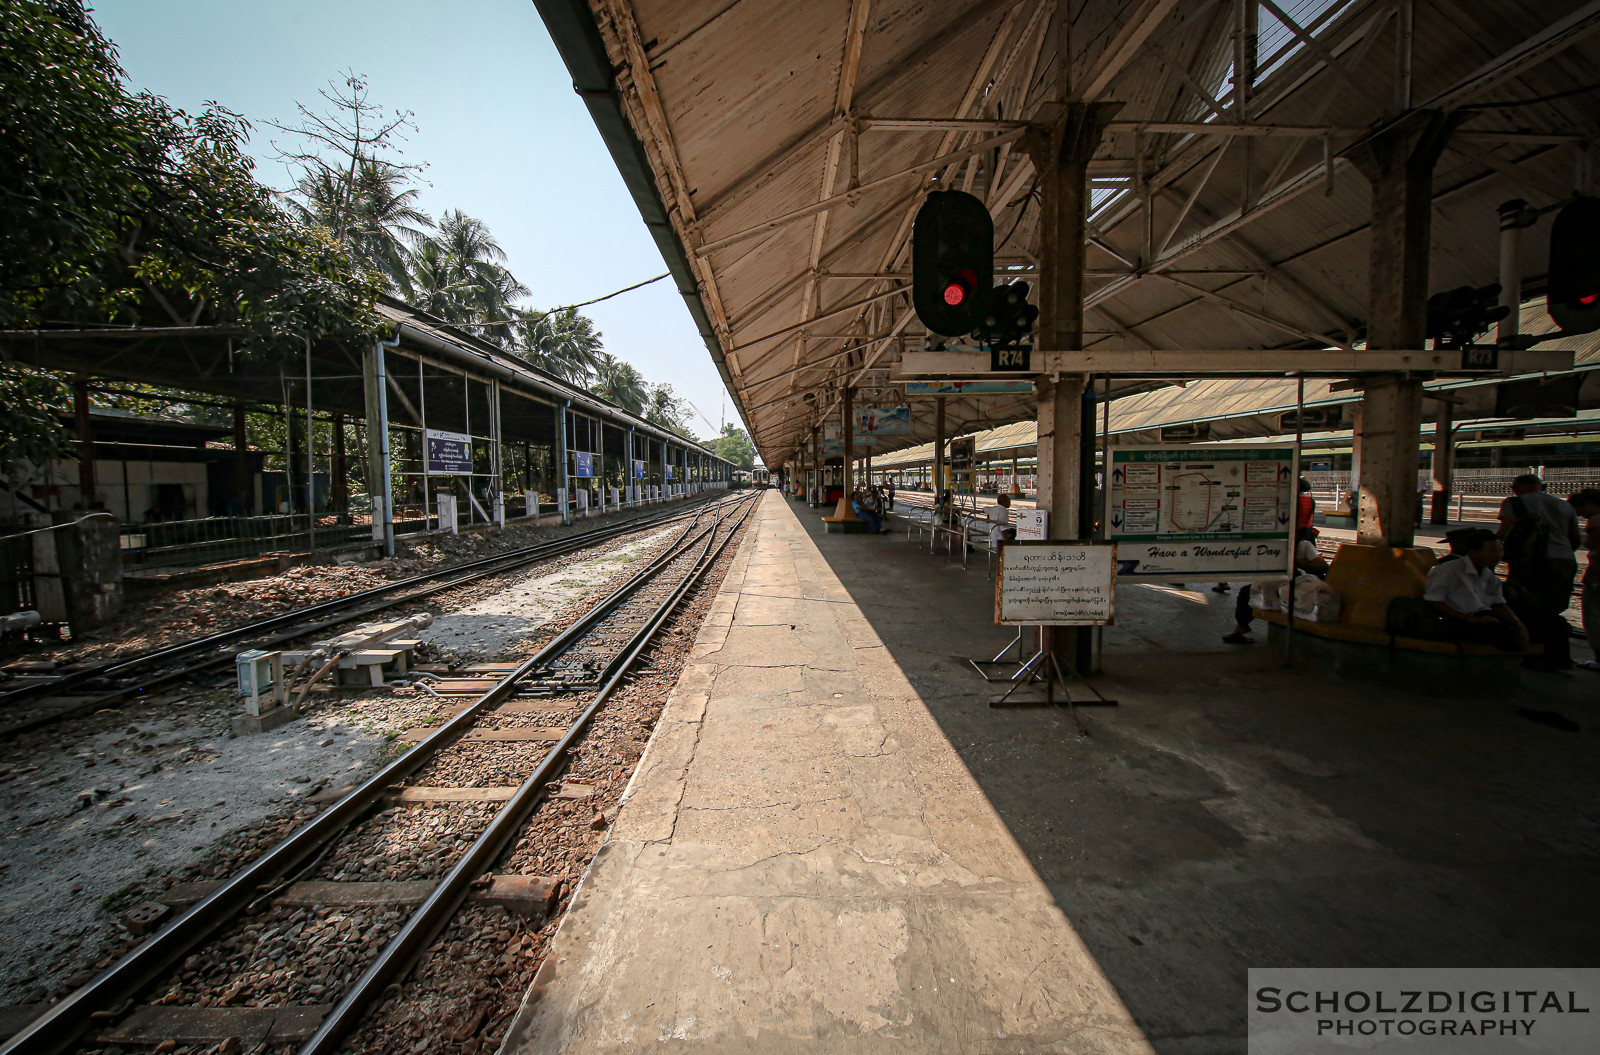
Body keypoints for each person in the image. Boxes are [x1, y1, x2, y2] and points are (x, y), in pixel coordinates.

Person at [1497, 473, 1582, 668]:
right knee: (1553, 608)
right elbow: (1575, 538)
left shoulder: (1514, 502)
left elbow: (1505, 530)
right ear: (1542, 486)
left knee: (1526, 604)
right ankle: (1556, 654)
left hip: (1530, 562)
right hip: (1565, 560)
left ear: (1516, 488)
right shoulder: (1564, 504)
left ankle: (1533, 651)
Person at [1423, 529, 1530, 653]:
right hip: (1459, 621)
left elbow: (1498, 604)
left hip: (1485, 616)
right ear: (1473, 552)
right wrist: (1471, 619)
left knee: (1539, 623)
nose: (1498, 556)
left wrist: (1518, 623)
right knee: (1504, 632)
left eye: (1500, 551)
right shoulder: (1448, 570)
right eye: (1492, 551)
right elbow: (1435, 602)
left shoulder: (1488, 575)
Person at [1223, 528, 1329, 643]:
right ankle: (1242, 626)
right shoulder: (1272, 546)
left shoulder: (1304, 546)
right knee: (1247, 592)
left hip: (1299, 586)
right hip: (1277, 584)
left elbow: (1322, 566)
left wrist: (1294, 562)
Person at [1569, 488, 1600, 672]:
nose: (1580, 515)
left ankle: (1599, 658)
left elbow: (1589, 543)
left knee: (1594, 612)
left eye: (1580, 510)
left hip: (1598, 570)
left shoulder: (1596, 521)